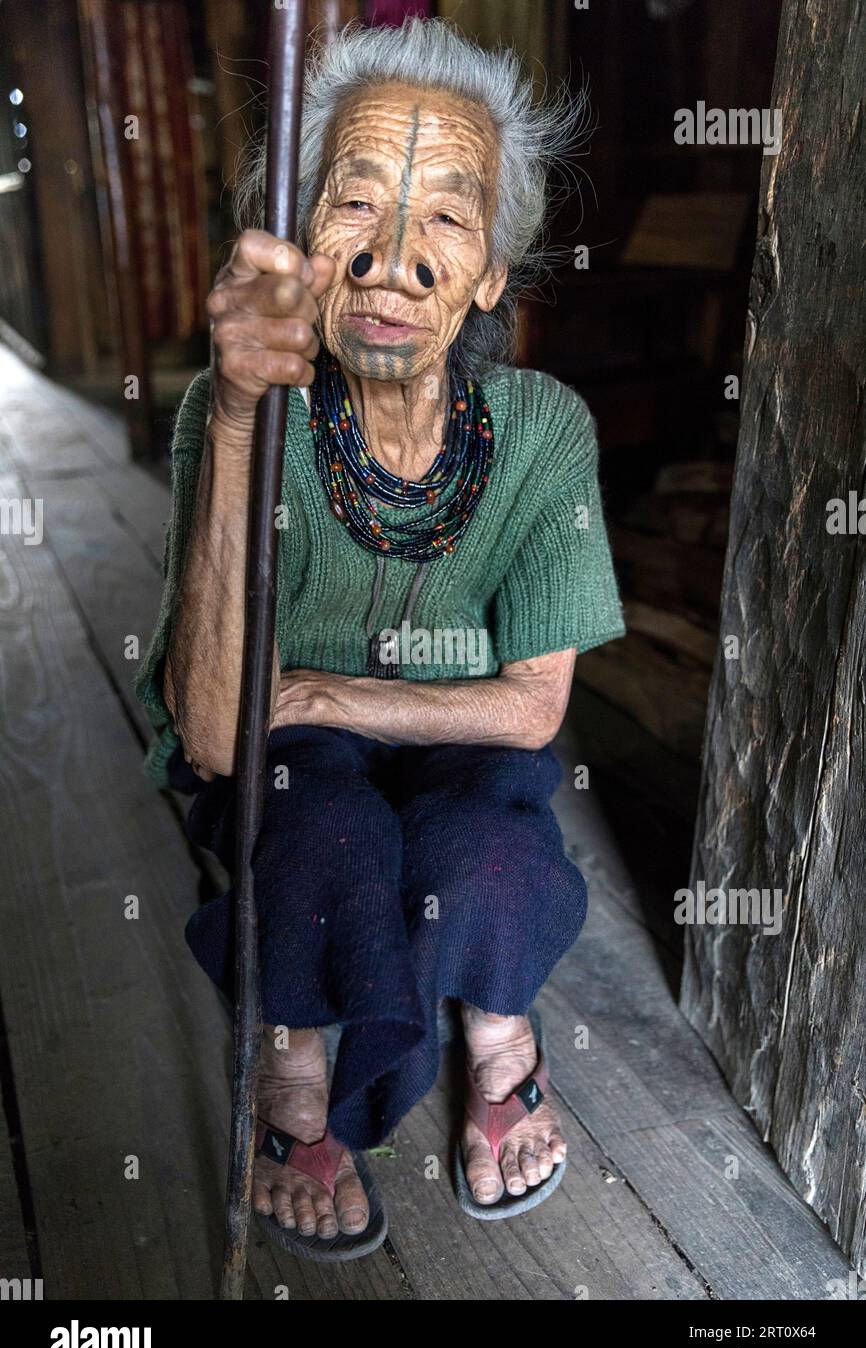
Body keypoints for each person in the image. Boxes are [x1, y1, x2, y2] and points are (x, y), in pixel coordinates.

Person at [135, 16, 625, 1259]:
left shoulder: (543, 429)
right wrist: (244, 407)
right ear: (301, 247)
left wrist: (321, 691)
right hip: (298, 768)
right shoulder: (227, 409)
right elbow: (211, 732)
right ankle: (296, 1060)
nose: (394, 259)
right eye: (355, 204)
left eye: (448, 220)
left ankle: (497, 1029)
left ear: (492, 273)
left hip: (444, 745)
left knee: (488, 840)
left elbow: (528, 709)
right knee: (313, 820)